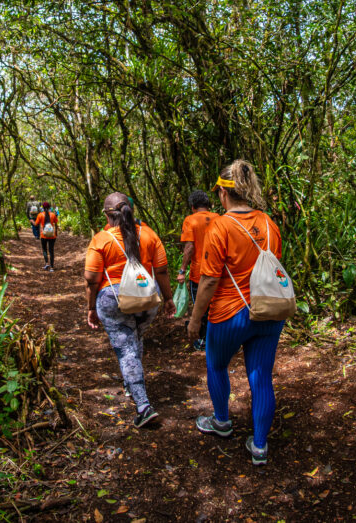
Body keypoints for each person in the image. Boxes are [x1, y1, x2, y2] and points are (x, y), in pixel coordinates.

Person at [190, 160, 285, 466]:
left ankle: (221, 422)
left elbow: (208, 281)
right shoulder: (270, 224)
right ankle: (259, 446)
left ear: (222, 194)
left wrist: (195, 320)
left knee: (216, 365)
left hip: (230, 314)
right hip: (268, 311)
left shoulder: (220, 226)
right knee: (261, 377)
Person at [84, 193, 174, 428]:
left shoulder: (101, 239)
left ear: (107, 215)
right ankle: (130, 383)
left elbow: (92, 280)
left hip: (113, 299)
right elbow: (162, 271)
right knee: (136, 337)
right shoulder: (150, 234)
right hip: (146, 297)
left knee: (126, 350)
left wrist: (91, 308)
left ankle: (143, 406)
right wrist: (168, 299)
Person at [178, 190, 218, 351]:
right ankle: (219, 340)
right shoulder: (219, 218)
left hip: (199, 273)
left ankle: (203, 340)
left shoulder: (190, 220)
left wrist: (182, 270)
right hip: (218, 271)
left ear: (193, 207)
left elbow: (189, 247)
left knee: (200, 306)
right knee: (217, 305)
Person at [35, 201, 58, 271]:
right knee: (51, 251)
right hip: (52, 235)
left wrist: (32, 221)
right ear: (49, 207)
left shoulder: (40, 215)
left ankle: (47, 264)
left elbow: (36, 224)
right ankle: (52, 267)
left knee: (44, 250)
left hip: (43, 235)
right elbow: (56, 224)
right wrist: (56, 233)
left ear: (43, 207)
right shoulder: (53, 214)